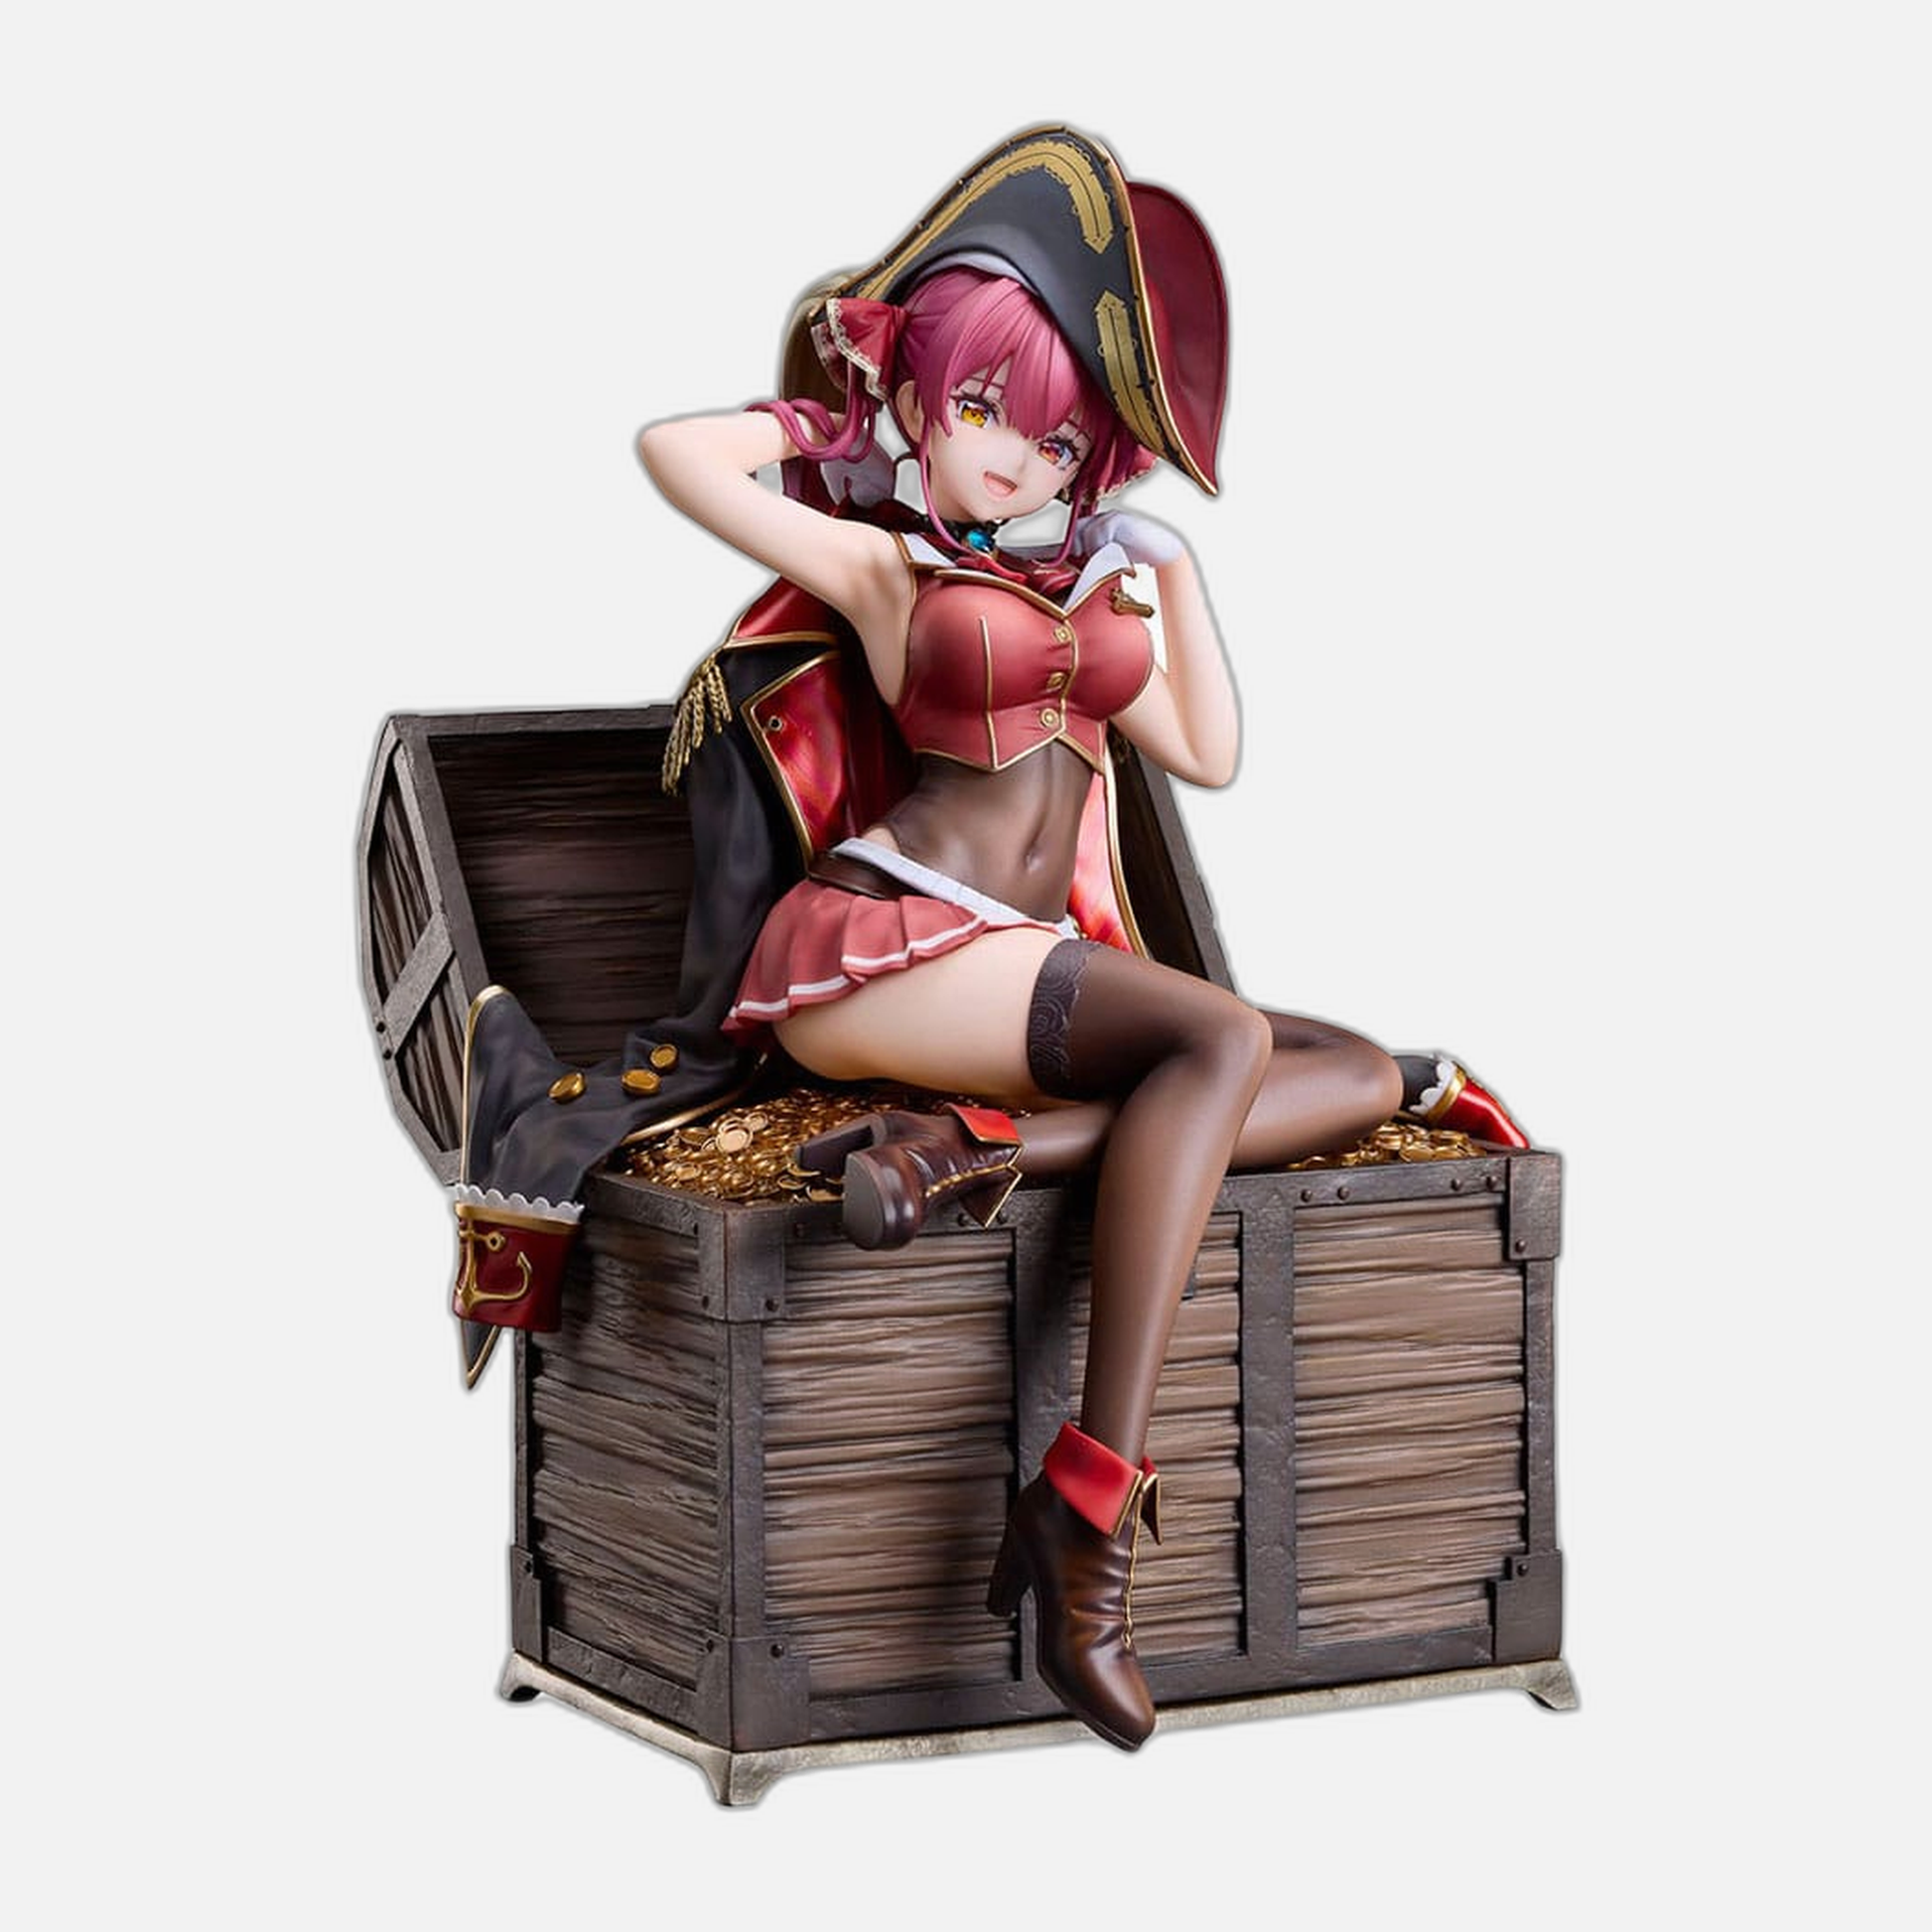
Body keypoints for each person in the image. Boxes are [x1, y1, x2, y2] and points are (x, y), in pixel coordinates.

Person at [449, 127, 1525, 1749]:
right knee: (1224, 1041)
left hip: (1008, 970)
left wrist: (1173, 581)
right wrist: (839, 417)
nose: (1016, 457)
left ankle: (978, 1151)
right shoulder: (886, 568)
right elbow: (676, 452)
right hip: (881, 944)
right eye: (979, 408)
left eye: (1054, 432)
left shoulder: (1093, 583)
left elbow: (1206, 750)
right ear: (926, 401)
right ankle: (1086, 1517)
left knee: (1365, 1073)